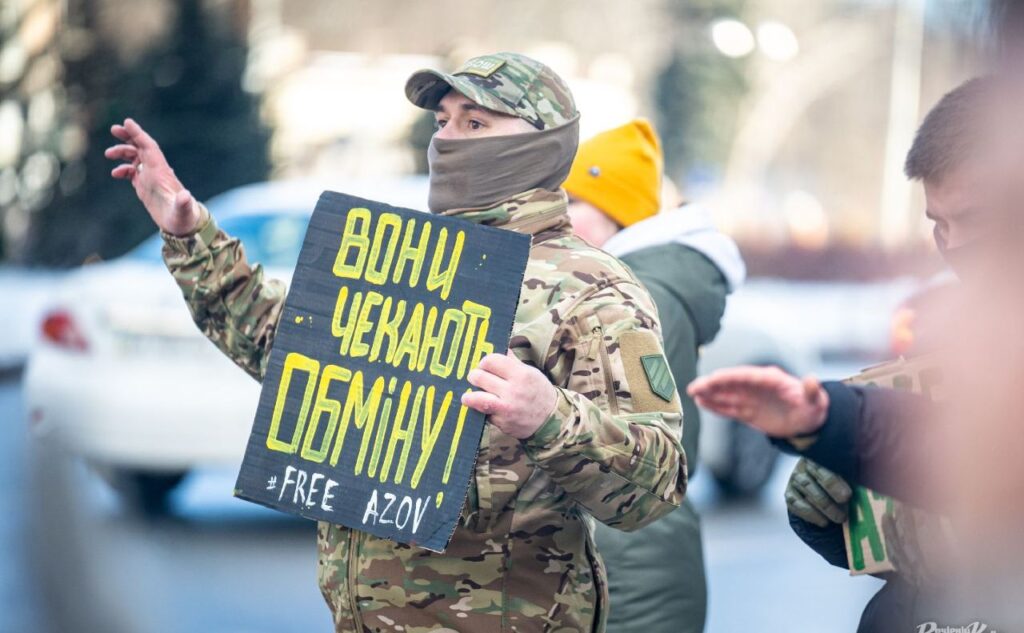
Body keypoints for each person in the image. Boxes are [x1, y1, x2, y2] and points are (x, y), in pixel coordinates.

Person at [105, 52, 688, 633]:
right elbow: (284, 348)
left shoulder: (592, 288)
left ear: (543, 144)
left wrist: (550, 418)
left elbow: (656, 483)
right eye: (442, 122)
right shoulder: (412, 263)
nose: (449, 139)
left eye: (475, 123)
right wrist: (190, 235)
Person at [688, 75, 1024, 631]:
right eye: (940, 225)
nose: (956, 246)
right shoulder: (946, 326)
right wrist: (844, 509)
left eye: (978, 220)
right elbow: (915, 538)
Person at [562, 119, 745, 633]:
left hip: (631, 558)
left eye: (575, 203)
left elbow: (637, 434)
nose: (560, 217)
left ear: (618, 214)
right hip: (628, 541)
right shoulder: (626, 284)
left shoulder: (638, 295)